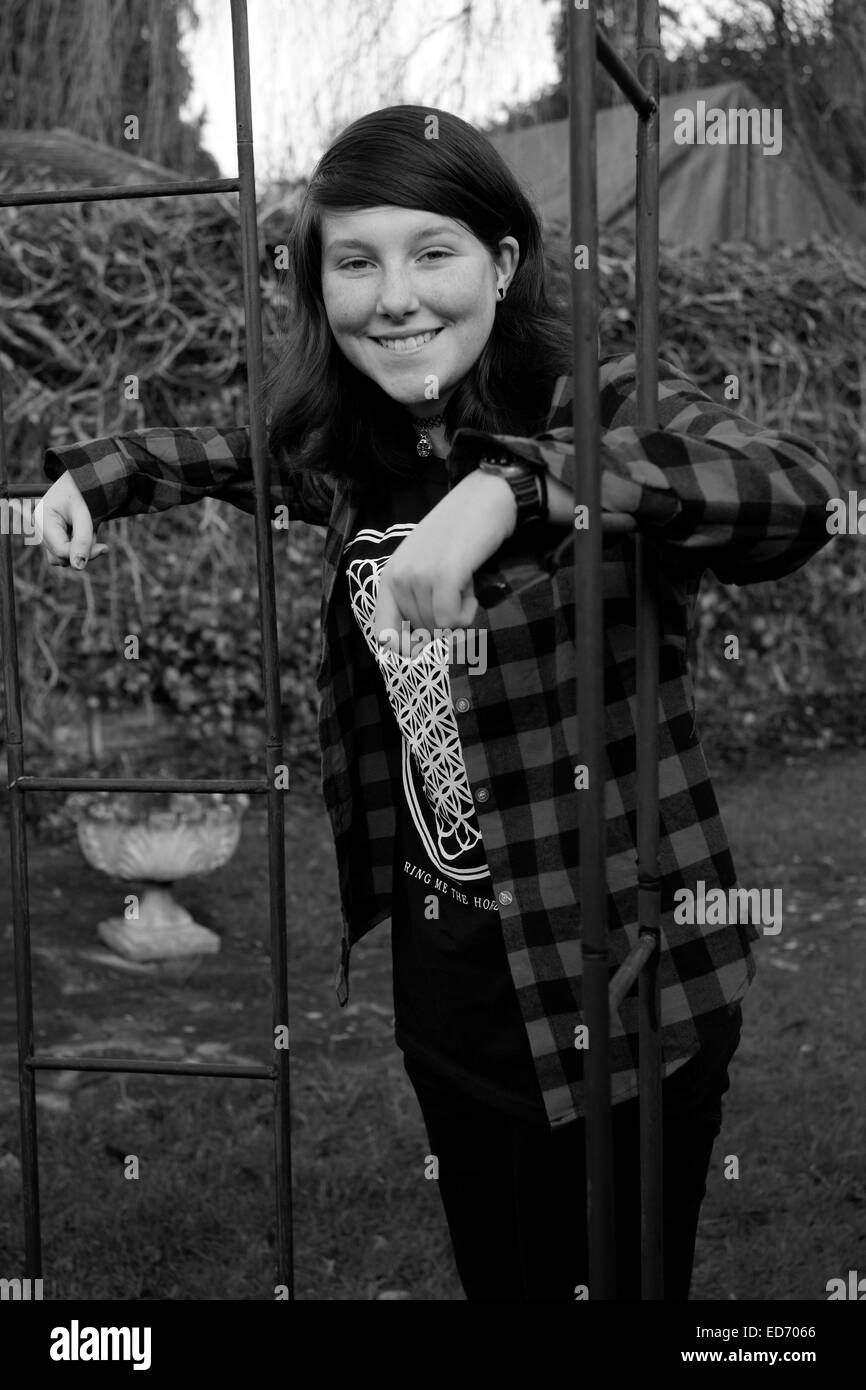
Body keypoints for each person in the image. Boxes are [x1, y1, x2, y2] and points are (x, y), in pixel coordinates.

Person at [36, 105, 837, 1301]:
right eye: (353, 262)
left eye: (433, 252)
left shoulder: (601, 400)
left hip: (615, 977)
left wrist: (522, 485)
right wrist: (102, 478)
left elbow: (791, 496)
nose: (394, 298)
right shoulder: (353, 448)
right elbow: (222, 451)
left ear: (502, 265)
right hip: (448, 975)